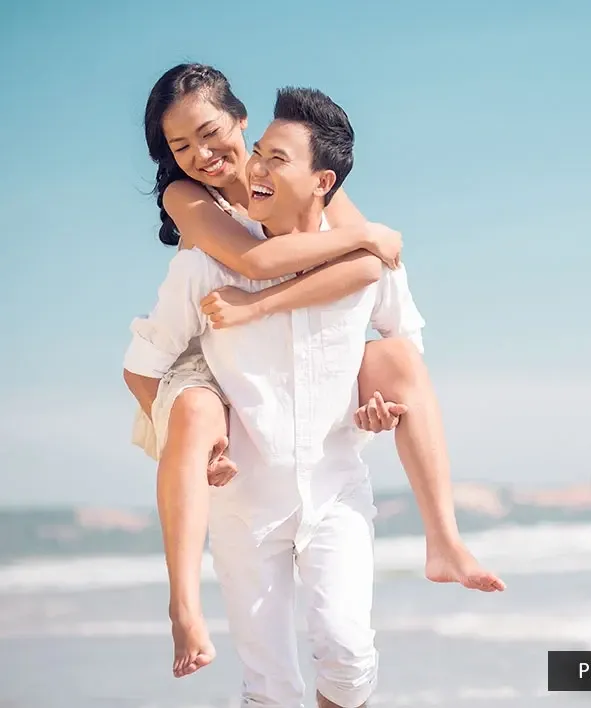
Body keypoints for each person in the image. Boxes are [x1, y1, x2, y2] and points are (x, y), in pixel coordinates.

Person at [126, 63, 503, 680]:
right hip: (215, 376)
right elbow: (256, 258)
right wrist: (367, 240)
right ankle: (183, 606)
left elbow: (370, 268)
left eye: (211, 132)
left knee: (398, 358)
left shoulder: (300, 178)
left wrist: (365, 255)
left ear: (240, 122)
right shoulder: (192, 209)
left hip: (328, 474)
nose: (201, 154)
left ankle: (445, 537)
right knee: (196, 411)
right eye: (180, 146)